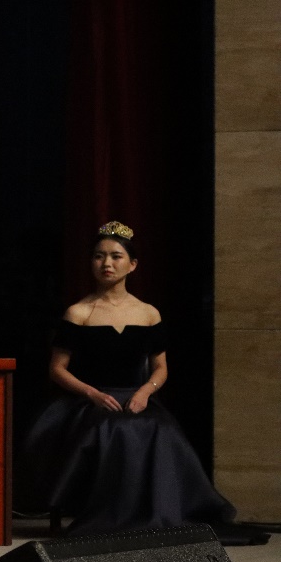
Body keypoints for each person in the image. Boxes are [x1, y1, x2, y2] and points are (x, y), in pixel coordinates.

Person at [24, 222, 265, 543]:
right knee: (111, 429)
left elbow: (161, 368)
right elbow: (57, 369)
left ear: (132, 264)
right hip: (89, 400)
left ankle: (158, 513)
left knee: (159, 429)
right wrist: (92, 393)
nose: (107, 263)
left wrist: (144, 393)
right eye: (98, 256)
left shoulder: (149, 313)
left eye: (116, 256)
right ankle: (110, 514)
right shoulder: (78, 312)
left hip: (137, 396)